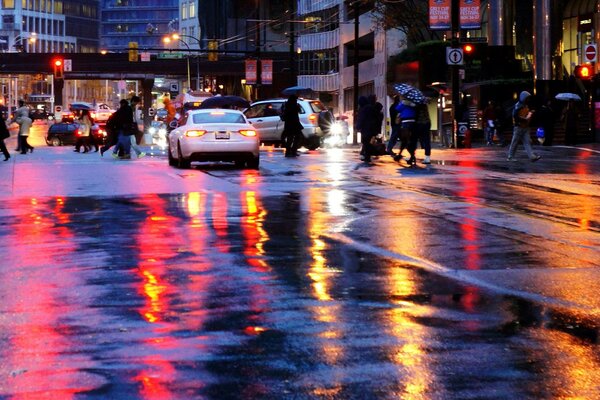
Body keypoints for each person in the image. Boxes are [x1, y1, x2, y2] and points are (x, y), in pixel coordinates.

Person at [507, 91, 541, 162]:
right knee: (515, 142)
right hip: (519, 127)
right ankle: (510, 156)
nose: (528, 99)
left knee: (527, 142)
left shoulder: (524, 105)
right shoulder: (518, 106)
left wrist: (529, 113)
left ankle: (532, 156)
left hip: (525, 127)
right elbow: (515, 116)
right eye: (527, 98)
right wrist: (525, 118)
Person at [394, 96, 417, 165]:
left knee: (405, 140)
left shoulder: (403, 103)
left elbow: (397, 108)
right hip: (413, 123)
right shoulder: (413, 104)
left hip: (405, 123)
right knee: (410, 140)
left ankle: (410, 156)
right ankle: (410, 156)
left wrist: (402, 102)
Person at [355, 95, 379, 163]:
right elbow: (377, 117)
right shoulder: (371, 108)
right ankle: (367, 155)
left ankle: (368, 156)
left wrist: (358, 127)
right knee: (368, 142)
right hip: (372, 128)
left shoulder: (363, 109)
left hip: (366, 128)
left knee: (366, 142)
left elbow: (361, 119)